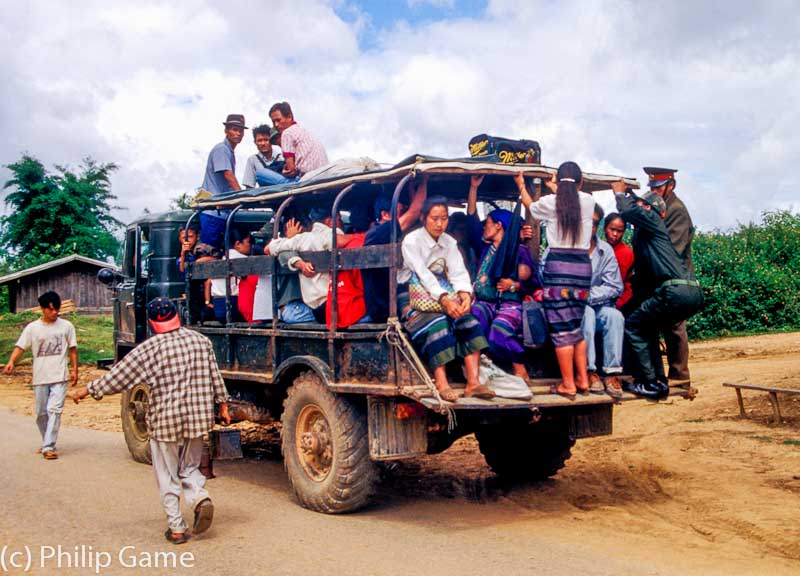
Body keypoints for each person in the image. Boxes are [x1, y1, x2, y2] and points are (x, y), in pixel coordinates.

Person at [71, 298, 231, 544]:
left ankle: (177, 528)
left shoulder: (150, 348)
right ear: (177, 314)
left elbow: (118, 377)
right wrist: (223, 404)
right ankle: (199, 497)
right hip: (198, 419)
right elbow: (214, 375)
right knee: (189, 468)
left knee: (167, 474)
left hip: (166, 421)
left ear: (153, 321)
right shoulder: (201, 341)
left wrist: (87, 390)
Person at [612, 184, 703, 400]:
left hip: (676, 291)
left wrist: (619, 193)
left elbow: (629, 211)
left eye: (643, 206)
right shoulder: (649, 236)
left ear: (653, 211)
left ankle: (650, 382)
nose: (639, 209)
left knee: (633, 325)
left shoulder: (653, 221)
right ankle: (659, 381)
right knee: (647, 326)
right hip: (688, 291)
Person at [398, 196, 492, 402]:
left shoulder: (449, 242)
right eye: (434, 218)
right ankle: (441, 382)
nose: (440, 224)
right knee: (437, 323)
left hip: (443, 290)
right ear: (424, 218)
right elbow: (423, 274)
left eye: (444, 218)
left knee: (468, 320)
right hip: (413, 294)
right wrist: (446, 301)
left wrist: (464, 295)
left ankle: (473, 383)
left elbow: (458, 272)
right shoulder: (411, 241)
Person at [516, 162, 595, 400]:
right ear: (581, 183)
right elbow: (568, 199)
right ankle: (583, 379)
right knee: (575, 325)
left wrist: (521, 185)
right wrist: (557, 188)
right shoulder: (589, 201)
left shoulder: (551, 203)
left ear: (558, 182)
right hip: (582, 268)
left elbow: (531, 206)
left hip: (558, 267)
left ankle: (568, 384)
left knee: (561, 328)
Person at [466, 175, 537, 381]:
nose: (484, 227)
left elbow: (531, 282)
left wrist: (513, 285)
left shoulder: (519, 251)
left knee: (499, 330)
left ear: (498, 225)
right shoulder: (484, 248)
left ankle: (519, 367)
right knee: (475, 318)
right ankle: (477, 369)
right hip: (486, 303)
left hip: (509, 305)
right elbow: (471, 218)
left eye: (487, 223)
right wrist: (473, 188)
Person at [3, 291, 77, 460]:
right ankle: (46, 441)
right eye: (50, 309)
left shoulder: (66, 326)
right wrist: (11, 362)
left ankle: (48, 446)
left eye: (56, 309)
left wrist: (74, 370)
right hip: (41, 376)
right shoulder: (32, 328)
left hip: (60, 375)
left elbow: (73, 349)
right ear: (43, 309)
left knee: (55, 410)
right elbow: (21, 347)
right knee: (41, 413)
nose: (54, 313)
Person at [643, 167, 694, 384]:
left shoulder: (676, 210)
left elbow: (672, 249)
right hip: (657, 276)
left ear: (670, 185)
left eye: (658, 187)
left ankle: (679, 375)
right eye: (652, 187)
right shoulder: (658, 207)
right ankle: (656, 374)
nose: (654, 191)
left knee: (674, 325)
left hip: (675, 277)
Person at [361, 175, 428, 323]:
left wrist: (412, 189)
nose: (403, 213)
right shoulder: (381, 232)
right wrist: (424, 180)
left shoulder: (377, 232)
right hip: (385, 308)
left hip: (384, 303)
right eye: (400, 210)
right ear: (385, 215)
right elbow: (414, 212)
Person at [264, 206, 343, 323]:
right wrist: (300, 262)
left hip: (303, 307)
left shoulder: (306, 243)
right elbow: (279, 252)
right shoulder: (288, 245)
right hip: (295, 309)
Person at [582, 205, 625, 398]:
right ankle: (589, 371)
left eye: (594, 223)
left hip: (599, 305)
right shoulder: (565, 244)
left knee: (614, 316)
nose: (589, 227)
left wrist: (589, 295)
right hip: (574, 309)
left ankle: (612, 373)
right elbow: (546, 272)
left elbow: (615, 286)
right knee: (587, 313)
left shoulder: (605, 250)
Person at [200, 114, 247, 247]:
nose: (238, 133)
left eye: (241, 130)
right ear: (226, 130)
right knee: (209, 253)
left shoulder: (229, 151)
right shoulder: (221, 149)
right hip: (214, 213)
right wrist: (245, 197)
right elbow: (228, 175)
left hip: (222, 212)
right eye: (234, 129)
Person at [255, 102, 328, 186]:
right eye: (273, 122)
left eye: (278, 120)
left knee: (260, 174)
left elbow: (291, 170)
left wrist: (285, 171)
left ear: (289, 117)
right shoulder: (304, 131)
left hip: (305, 181)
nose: (276, 125)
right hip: (323, 177)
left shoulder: (286, 133)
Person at [205, 227, 251, 323]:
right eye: (248, 242)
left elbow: (208, 282)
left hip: (218, 307)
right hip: (234, 306)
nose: (250, 246)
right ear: (237, 244)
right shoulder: (244, 260)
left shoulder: (221, 260)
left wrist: (208, 302)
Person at [603, 212, 635, 312]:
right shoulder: (600, 248)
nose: (615, 234)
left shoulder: (626, 253)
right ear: (605, 228)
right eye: (612, 229)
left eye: (619, 231)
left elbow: (617, 282)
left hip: (619, 301)